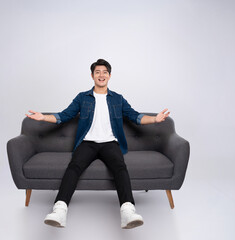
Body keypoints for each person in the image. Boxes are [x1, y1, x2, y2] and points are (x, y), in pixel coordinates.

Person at [26, 59, 170, 229]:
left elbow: (135, 116)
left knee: (120, 168)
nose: (101, 75)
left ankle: (128, 211)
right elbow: (64, 115)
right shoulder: (82, 97)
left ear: (109, 75)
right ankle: (59, 210)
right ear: (92, 75)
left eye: (104, 72)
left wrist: (155, 119)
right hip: (87, 143)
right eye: (97, 72)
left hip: (110, 143)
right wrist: (43, 117)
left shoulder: (118, 99)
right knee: (73, 167)